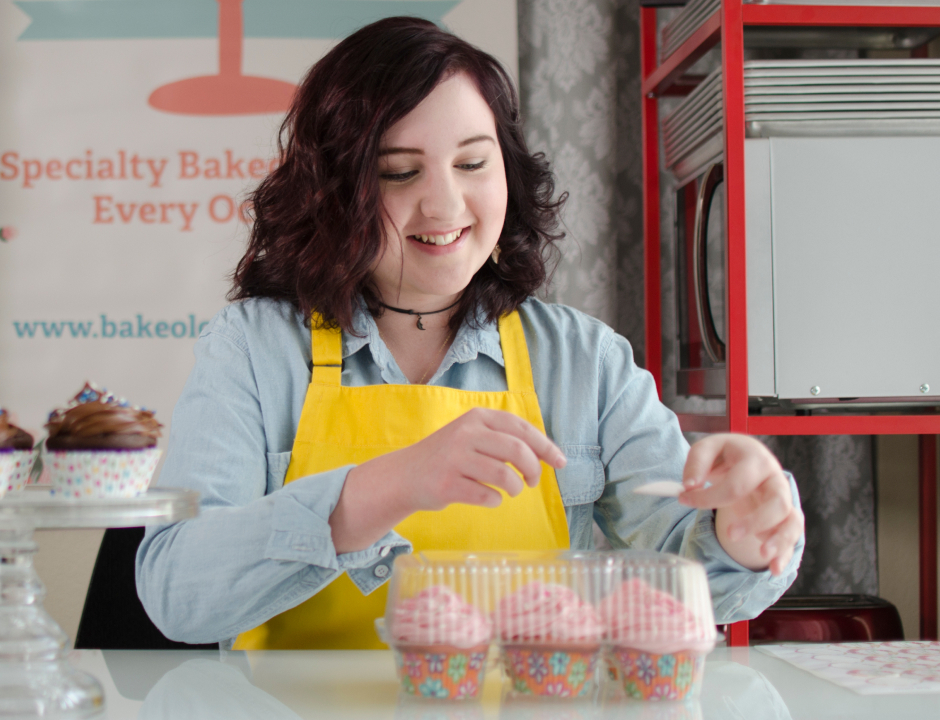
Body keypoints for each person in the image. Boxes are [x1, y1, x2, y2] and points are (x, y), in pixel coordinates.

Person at [136, 16, 804, 650]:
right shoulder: (255, 348)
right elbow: (176, 594)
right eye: (400, 172)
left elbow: (695, 567)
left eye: (473, 163)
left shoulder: (583, 360)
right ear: (333, 190)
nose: (445, 205)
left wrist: (741, 529)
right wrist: (392, 484)